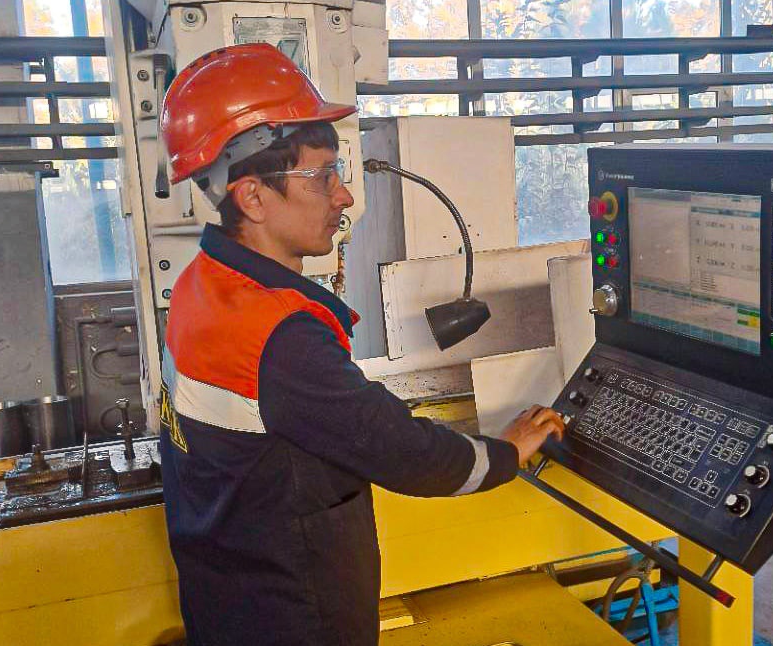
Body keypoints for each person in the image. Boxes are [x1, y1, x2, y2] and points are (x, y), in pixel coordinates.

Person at [158, 43, 565, 646]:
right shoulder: (280, 336)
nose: (343, 196)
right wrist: (505, 453)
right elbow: (405, 453)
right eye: (323, 176)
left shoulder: (204, 282)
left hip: (225, 598)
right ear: (253, 197)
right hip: (292, 620)